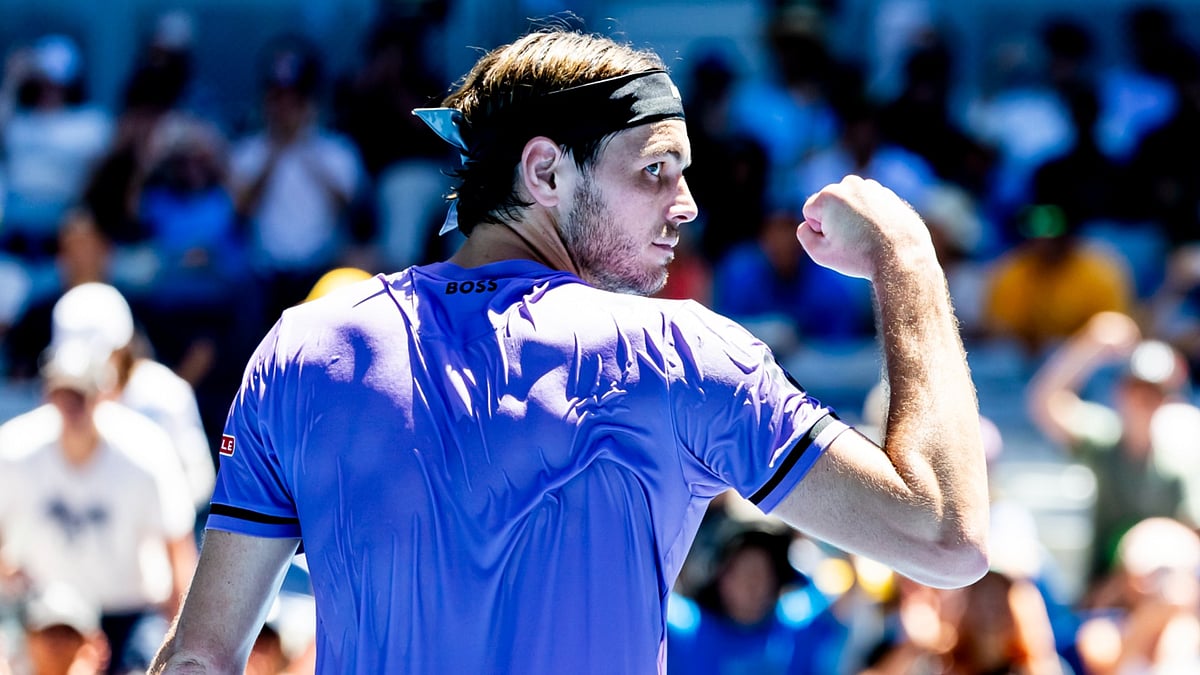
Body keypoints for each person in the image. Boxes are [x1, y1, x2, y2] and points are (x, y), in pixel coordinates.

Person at [150, 27, 988, 674]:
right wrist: (906, 257)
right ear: (545, 172)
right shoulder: (683, 356)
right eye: (657, 168)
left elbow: (199, 658)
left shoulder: (305, 348)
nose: (688, 203)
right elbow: (945, 539)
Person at [0, 340, 197, 673]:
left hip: (128, 612)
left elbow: (178, 550)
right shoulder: (16, 449)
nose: (71, 405)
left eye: (81, 394)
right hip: (47, 617)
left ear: (105, 394)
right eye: (63, 393)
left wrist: (188, 638)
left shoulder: (145, 451)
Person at [1027, 311, 1200, 583]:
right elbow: (1045, 402)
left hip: (1163, 587)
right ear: (1119, 392)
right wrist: (1090, 345)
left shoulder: (1182, 458)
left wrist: (1147, 549)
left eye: (1153, 392)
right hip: (1103, 592)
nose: (1143, 399)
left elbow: (1191, 536)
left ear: (1169, 399)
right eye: (1136, 388)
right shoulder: (1105, 441)